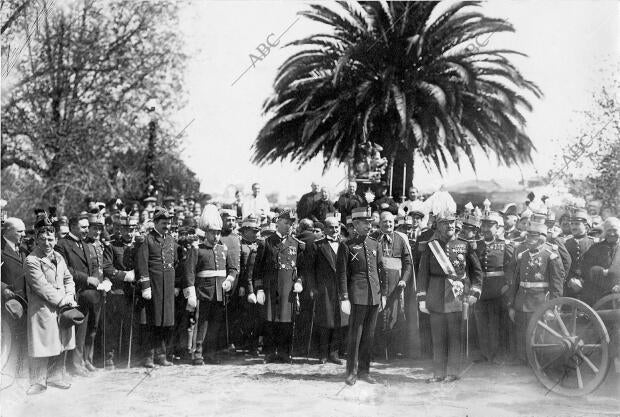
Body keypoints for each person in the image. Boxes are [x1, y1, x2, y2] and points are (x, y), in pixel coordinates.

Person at [417, 208, 482, 383]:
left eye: (452, 223)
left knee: (455, 337)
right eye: (445, 223)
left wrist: (475, 292)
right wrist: (422, 299)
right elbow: (422, 274)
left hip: (457, 297)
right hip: (435, 296)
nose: (450, 226)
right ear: (437, 226)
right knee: (437, 338)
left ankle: (453, 373)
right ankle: (438, 374)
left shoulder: (465, 244)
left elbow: (477, 272)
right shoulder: (431, 246)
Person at [24, 218, 77, 395]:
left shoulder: (59, 257)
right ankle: (38, 382)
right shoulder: (32, 260)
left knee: (61, 341)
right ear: (37, 239)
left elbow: (68, 278)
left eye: (51, 239)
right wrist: (62, 301)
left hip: (62, 305)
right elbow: (41, 287)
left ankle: (56, 376)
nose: (47, 243)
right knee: (42, 345)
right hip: (43, 309)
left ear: (55, 239)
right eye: (43, 239)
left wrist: (69, 295)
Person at [336, 207, 387, 385]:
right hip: (357, 296)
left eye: (370, 223)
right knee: (355, 336)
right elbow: (342, 274)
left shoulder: (375, 244)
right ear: (355, 224)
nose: (368, 226)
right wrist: (344, 297)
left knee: (369, 336)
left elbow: (381, 271)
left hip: (374, 295)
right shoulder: (346, 245)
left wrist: (384, 294)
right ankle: (351, 372)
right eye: (365, 223)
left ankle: (365, 371)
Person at [183, 204, 238, 365]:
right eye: (212, 233)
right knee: (201, 322)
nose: (215, 236)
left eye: (218, 233)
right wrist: (191, 294)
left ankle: (211, 352)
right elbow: (189, 273)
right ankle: (197, 352)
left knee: (215, 323)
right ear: (206, 233)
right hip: (203, 292)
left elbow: (233, 268)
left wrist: (229, 280)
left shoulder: (223, 249)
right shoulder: (197, 249)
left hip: (220, 292)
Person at [508, 221, 564, 363]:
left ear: (541, 239)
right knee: (521, 334)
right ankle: (523, 362)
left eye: (531, 237)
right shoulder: (522, 255)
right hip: (521, 303)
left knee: (538, 336)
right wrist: (512, 305)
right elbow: (515, 283)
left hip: (540, 303)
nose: (527, 239)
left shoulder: (550, 256)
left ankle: (537, 364)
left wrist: (554, 307)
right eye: (527, 236)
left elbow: (556, 285)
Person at [252, 210, 304, 363]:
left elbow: (301, 268)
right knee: (269, 320)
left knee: (286, 321)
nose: (289, 226)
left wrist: (299, 282)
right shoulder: (266, 242)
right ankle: (269, 353)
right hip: (270, 287)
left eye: (291, 223)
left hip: (288, 288)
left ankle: (284, 352)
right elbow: (258, 270)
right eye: (286, 223)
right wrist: (259, 289)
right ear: (278, 223)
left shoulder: (296, 244)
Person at [55, 215, 99, 377]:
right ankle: (73, 365)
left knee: (86, 329)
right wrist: (87, 279)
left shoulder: (85, 244)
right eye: (83, 227)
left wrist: (95, 277)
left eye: (87, 227)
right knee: (74, 330)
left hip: (88, 294)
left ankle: (80, 362)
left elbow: (93, 265)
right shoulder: (62, 245)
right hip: (73, 293)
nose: (87, 230)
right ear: (73, 227)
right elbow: (66, 270)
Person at [135, 207, 178, 367]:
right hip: (154, 287)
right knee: (152, 322)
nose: (166, 226)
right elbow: (142, 264)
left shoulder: (171, 240)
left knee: (165, 323)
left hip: (168, 287)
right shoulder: (148, 240)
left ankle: (161, 355)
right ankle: (148, 356)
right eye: (163, 223)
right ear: (155, 223)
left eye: (168, 223)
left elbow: (177, 261)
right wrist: (145, 285)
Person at [473, 211, 514, 364]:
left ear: (498, 228)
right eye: (483, 225)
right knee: (481, 322)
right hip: (481, 290)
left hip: (499, 290)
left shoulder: (506, 245)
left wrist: (507, 285)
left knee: (497, 324)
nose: (485, 229)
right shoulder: (477, 245)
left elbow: (512, 268)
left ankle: (498, 355)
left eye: (489, 225)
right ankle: (485, 354)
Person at [306, 217, 348, 364]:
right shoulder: (317, 245)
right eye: (331, 227)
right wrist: (312, 288)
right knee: (325, 320)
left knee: (340, 320)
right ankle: (323, 354)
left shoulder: (345, 244)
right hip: (324, 288)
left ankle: (334, 353)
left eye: (337, 227)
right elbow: (310, 270)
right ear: (325, 230)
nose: (334, 230)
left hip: (342, 288)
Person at [374, 211, 412, 361]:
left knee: (393, 318)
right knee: (377, 318)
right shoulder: (373, 238)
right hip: (377, 285)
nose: (388, 224)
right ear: (380, 223)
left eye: (391, 222)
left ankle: (392, 351)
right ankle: (377, 351)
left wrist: (404, 279)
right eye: (385, 222)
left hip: (395, 286)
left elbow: (408, 263)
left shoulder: (400, 239)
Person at [102, 213, 139, 366]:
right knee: (114, 326)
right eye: (125, 229)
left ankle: (126, 358)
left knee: (131, 326)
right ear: (120, 230)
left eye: (131, 229)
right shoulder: (112, 246)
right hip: (117, 292)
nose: (128, 233)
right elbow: (107, 267)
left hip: (134, 292)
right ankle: (110, 357)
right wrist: (125, 276)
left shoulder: (139, 246)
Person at [2, 217, 28, 364]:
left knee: (23, 339)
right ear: (8, 231)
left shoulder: (23, 249)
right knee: (11, 342)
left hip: (25, 301)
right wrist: (3, 288)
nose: (24, 234)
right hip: (8, 303)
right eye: (20, 231)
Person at [580, 217, 620, 306]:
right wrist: (599, 271)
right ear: (604, 232)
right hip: (597, 295)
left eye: (615, 230)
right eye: (609, 230)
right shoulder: (595, 248)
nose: (612, 233)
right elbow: (585, 269)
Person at [239, 215, 262, 355]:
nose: (255, 233)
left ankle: (254, 344)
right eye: (252, 230)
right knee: (245, 317)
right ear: (245, 231)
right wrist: (243, 287)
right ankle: (245, 343)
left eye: (256, 230)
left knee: (257, 317)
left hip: (257, 285)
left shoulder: (258, 245)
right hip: (243, 286)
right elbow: (239, 268)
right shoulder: (239, 246)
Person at [564, 208, 595, 299]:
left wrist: (582, 281)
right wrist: (570, 280)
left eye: (577, 224)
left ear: (586, 226)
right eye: (572, 224)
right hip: (569, 285)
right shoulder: (566, 243)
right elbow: (562, 265)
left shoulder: (593, 243)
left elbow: (594, 265)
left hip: (588, 284)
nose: (573, 227)